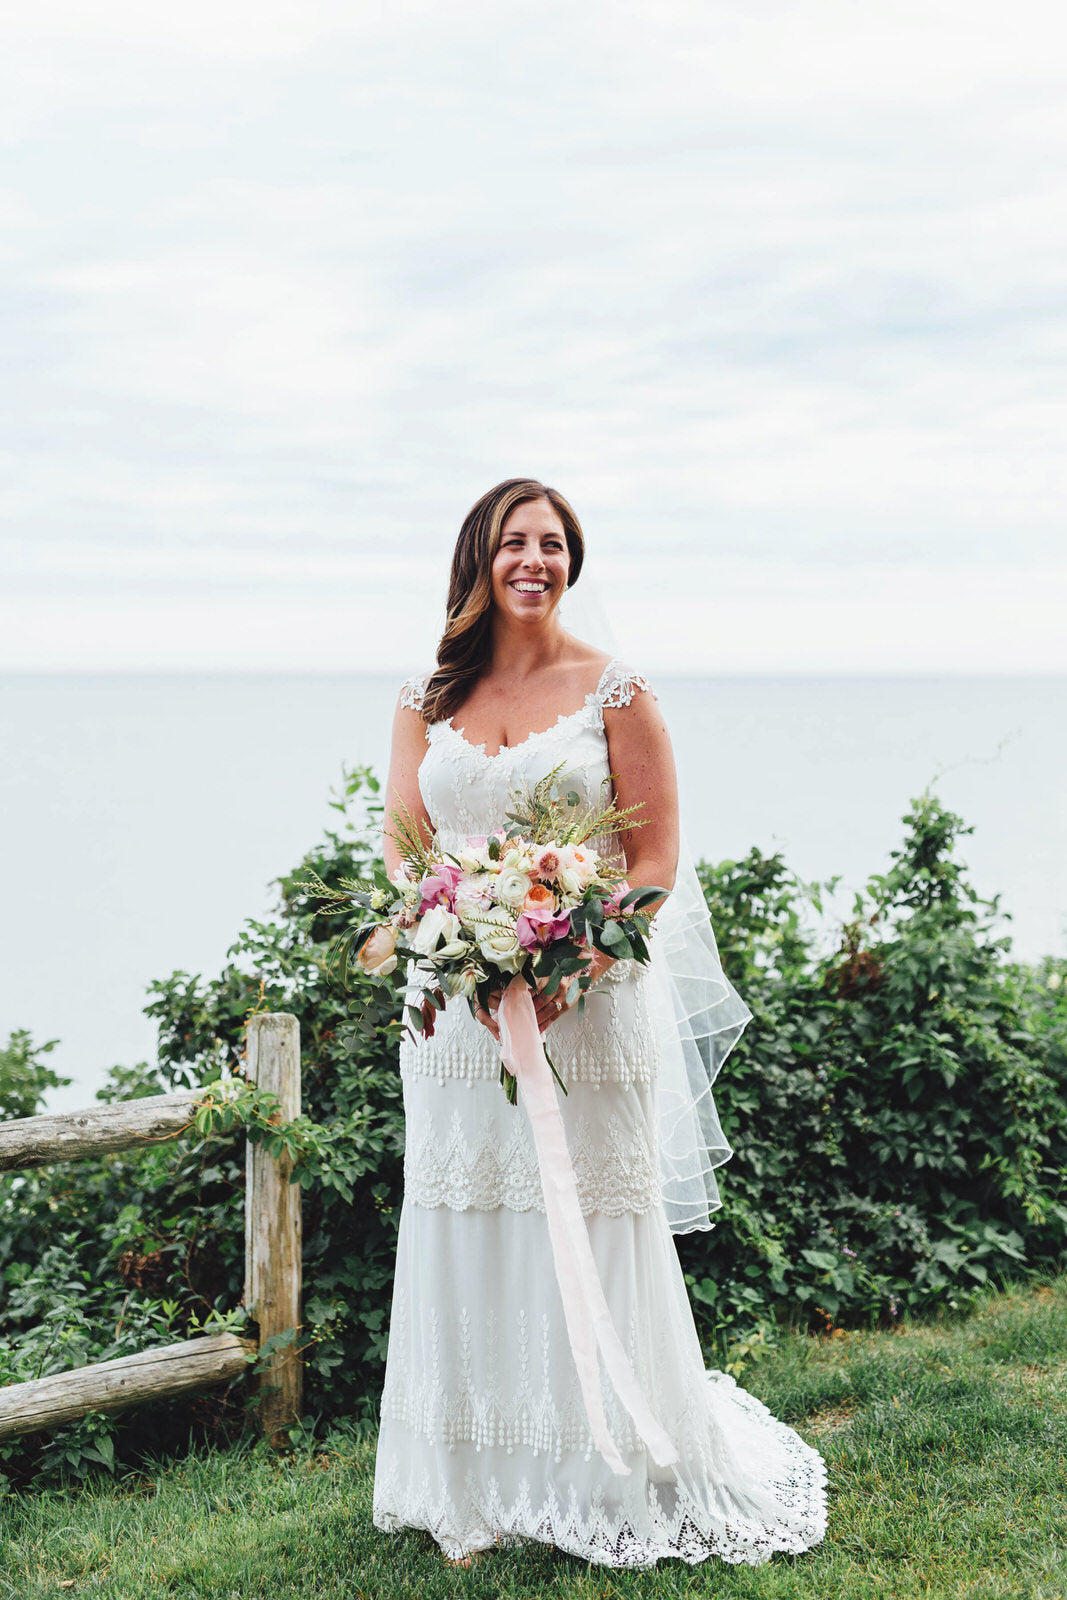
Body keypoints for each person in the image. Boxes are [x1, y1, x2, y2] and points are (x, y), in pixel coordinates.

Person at [371, 478, 828, 1568]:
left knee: (587, 1219)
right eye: (514, 542)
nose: (535, 560)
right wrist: (447, 933)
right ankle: (472, 1481)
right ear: (476, 557)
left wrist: (572, 959)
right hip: (456, 1015)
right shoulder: (425, 695)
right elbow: (400, 843)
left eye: (554, 544)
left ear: (572, 562)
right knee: (467, 1220)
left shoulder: (615, 690)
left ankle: (612, 1466)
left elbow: (656, 860)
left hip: (588, 1004)